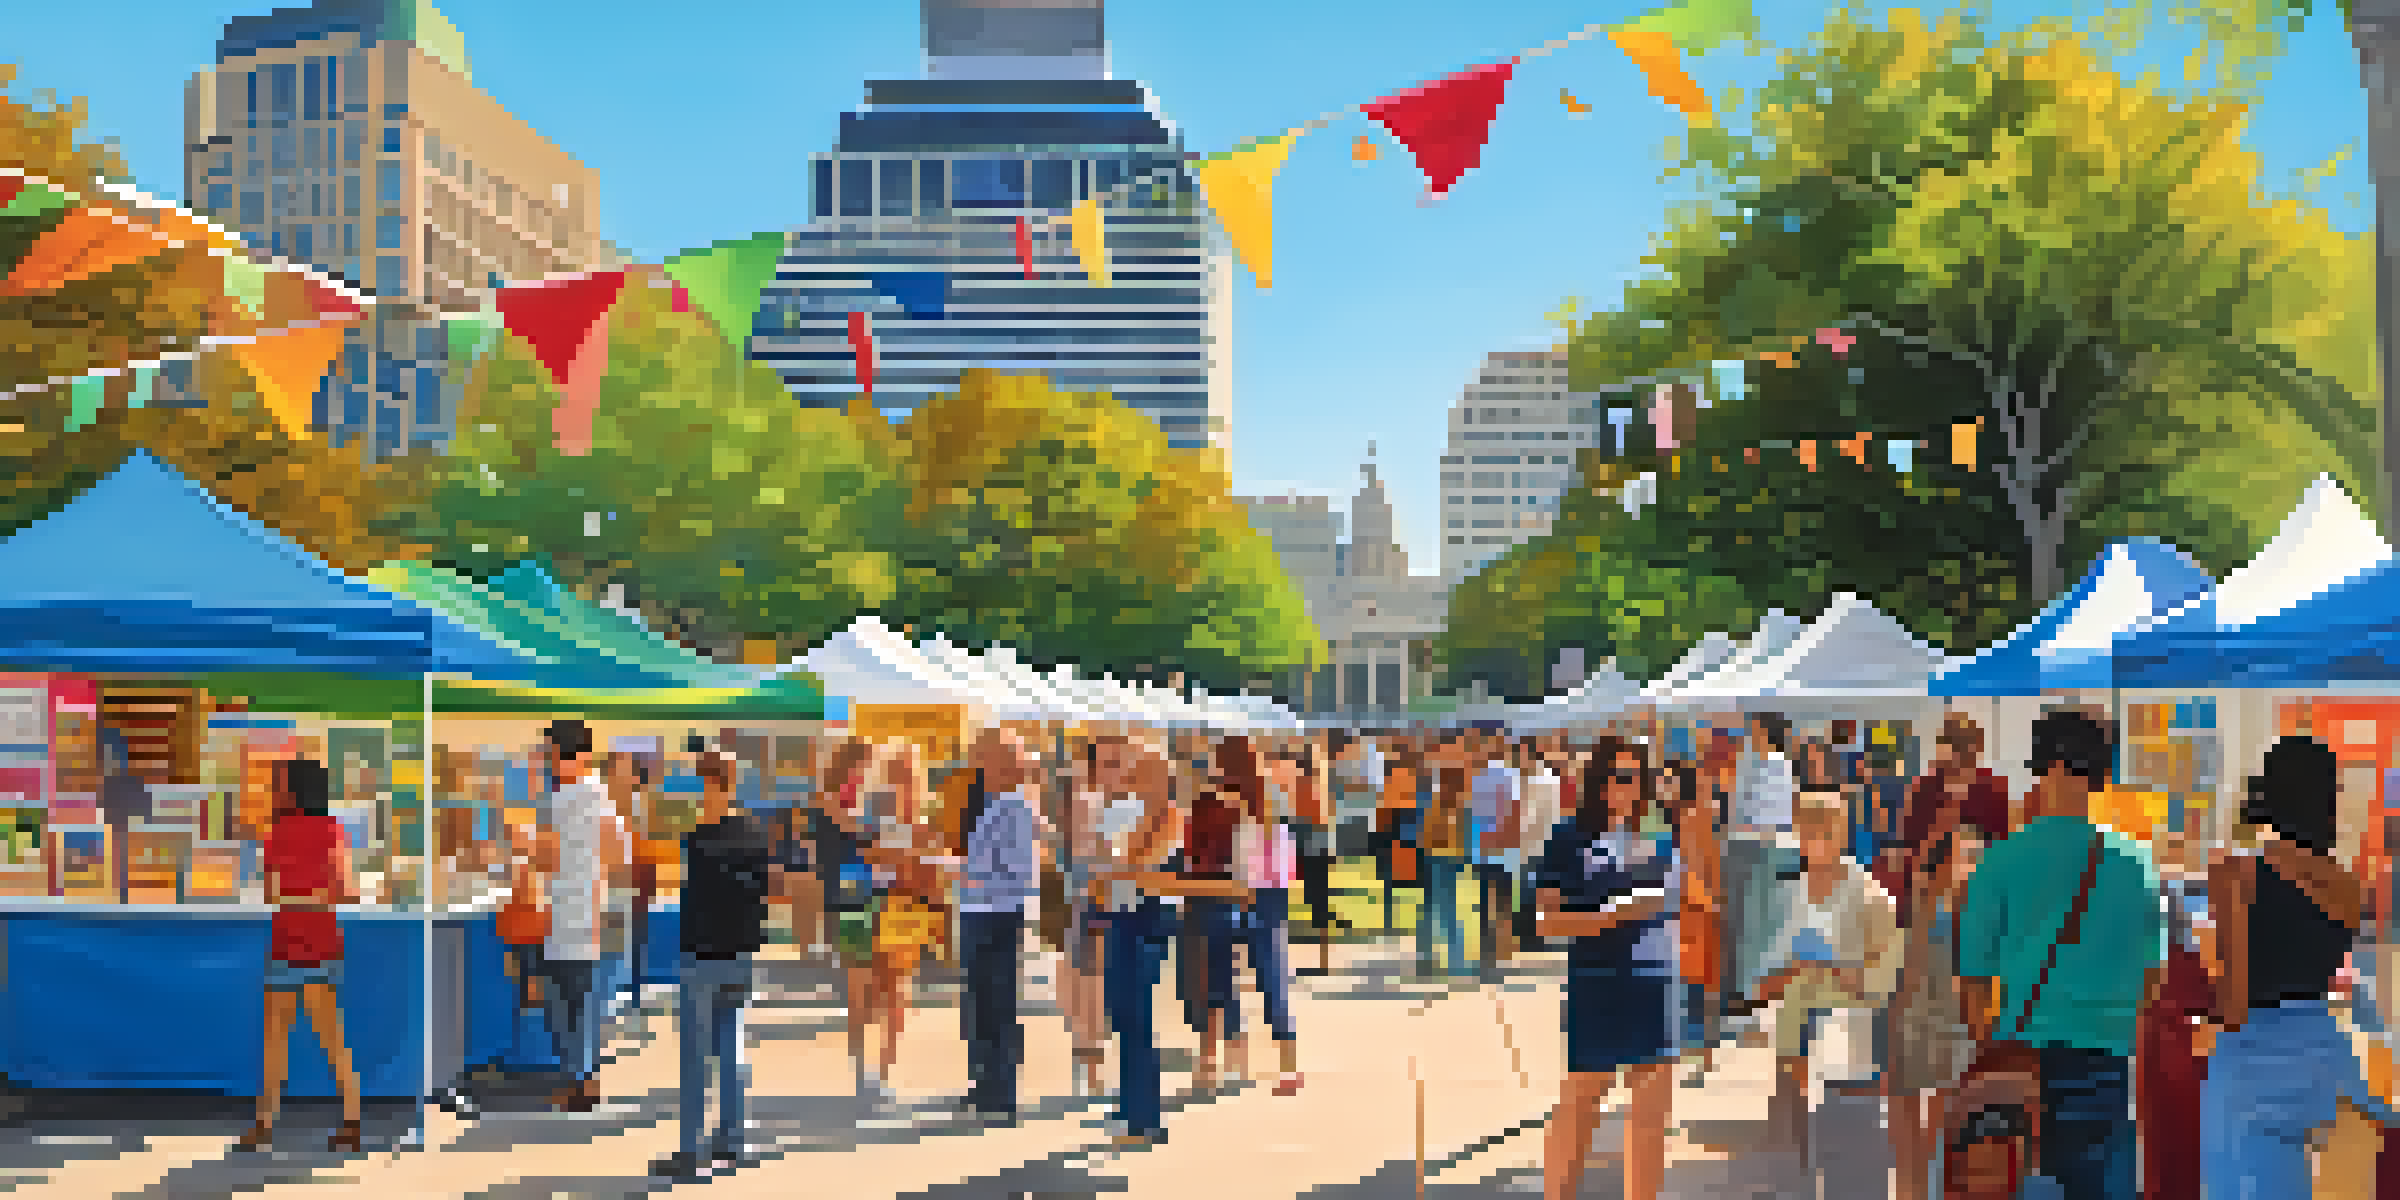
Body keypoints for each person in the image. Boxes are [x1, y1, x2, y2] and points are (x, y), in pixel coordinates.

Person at [1957, 711, 2164, 1200]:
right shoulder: (2137, 865)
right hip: (2108, 1061)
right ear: (2099, 778)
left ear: (2047, 770)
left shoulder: (1998, 862)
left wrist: (1992, 1047)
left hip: (2022, 1060)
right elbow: (2152, 982)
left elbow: (1972, 985)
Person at [2201, 736, 2383, 1198]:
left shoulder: (2233, 874)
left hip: (2252, 1069)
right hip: (2326, 1060)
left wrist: (2204, 1013)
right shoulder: (2349, 884)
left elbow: (2235, 1003)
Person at [1535, 736, 1679, 1200]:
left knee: (1651, 1113)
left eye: (1636, 779)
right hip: (1597, 981)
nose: (1627, 788)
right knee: (1582, 1100)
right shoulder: (1568, 838)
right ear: (1596, 780)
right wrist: (1609, 916)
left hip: (1655, 979)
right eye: (1617, 777)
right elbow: (1545, 922)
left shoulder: (1658, 836)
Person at [1753, 786, 1900, 1166]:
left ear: (1841, 833)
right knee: (1805, 1149)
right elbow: (1763, 978)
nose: (1816, 842)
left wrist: (1828, 968)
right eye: (1808, 832)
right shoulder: (1786, 892)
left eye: (1825, 831)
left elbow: (1885, 968)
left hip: (1848, 1025)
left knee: (1848, 1145)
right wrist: (1783, 974)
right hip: (1796, 1028)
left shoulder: (1868, 894)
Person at [652, 749, 781, 1179]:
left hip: (701, 955)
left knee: (695, 1056)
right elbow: (765, 892)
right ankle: (734, 1142)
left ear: (708, 783)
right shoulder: (756, 833)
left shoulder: (699, 838)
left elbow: (699, 898)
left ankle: (691, 1151)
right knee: (732, 1050)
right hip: (742, 954)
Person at [237, 758, 364, 1153]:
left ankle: (264, 1125)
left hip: (285, 943)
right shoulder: (333, 832)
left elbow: (271, 895)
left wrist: (293, 902)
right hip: (322, 943)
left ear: (291, 792)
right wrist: (314, 901)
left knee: (274, 1039)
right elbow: (340, 892)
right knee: (332, 1038)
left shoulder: (273, 835)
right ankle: (351, 1118)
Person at [1884, 796, 1992, 1200]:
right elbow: (1909, 972)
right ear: (1946, 860)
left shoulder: (1973, 907)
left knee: (1943, 1133)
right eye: (1968, 855)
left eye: (1980, 856)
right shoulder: (1925, 903)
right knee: (1913, 1137)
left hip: (1955, 1027)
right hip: (1921, 1022)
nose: (1976, 864)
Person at [538, 719, 628, 1114]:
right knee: (586, 1002)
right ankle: (583, 1080)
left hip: (566, 913)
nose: (551, 761)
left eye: (552, 753)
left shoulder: (557, 802)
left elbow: (548, 859)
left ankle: (576, 1084)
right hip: (597, 911)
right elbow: (619, 855)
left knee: (564, 1002)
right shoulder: (605, 799)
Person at [955, 726, 1043, 1124]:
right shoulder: (985, 801)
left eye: (983, 753)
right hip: (976, 910)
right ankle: (983, 1083)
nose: (977, 759)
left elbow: (1022, 871)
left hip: (999, 912)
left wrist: (970, 875)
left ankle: (1002, 1091)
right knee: (977, 1003)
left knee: (999, 1001)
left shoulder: (1016, 808)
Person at [866, 740, 947, 1114]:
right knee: (877, 987)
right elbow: (872, 855)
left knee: (895, 986)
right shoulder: (880, 812)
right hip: (877, 903)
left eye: (905, 770)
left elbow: (929, 864)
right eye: (895, 769)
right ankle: (877, 1067)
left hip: (906, 906)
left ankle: (885, 1067)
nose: (900, 777)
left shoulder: (923, 815)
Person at [1235, 739, 1303, 1094]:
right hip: (1262, 889)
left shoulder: (1266, 797)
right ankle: (1274, 1064)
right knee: (1262, 974)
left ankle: (1285, 1065)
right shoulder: (1265, 796)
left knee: (1268, 975)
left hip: (1259, 890)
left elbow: (1266, 849)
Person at [1725, 712, 1799, 1024]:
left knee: (1756, 925)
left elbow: (1760, 813)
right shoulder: (1764, 763)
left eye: (1753, 728)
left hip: (1759, 849)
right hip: (1757, 848)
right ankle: (1748, 995)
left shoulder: (1770, 765)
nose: (1749, 733)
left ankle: (1750, 996)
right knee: (1753, 925)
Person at [1472, 739, 1523, 978]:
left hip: (1483, 847)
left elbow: (1472, 813)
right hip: (1503, 849)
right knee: (1502, 903)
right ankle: (1502, 952)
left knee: (1486, 904)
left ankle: (1487, 955)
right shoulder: (1510, 775)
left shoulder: (1477, 777)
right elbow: (1514, 810)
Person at [1418, 761, 1470, 979]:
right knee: (1443, 911)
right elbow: (1431, 836)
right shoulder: (1450, 806)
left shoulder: (1443, 805)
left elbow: (1428, 837)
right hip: (1443, 860)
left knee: (1437, 910)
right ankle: (1446, 960)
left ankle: (1433, 958)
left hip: (1441, 860)